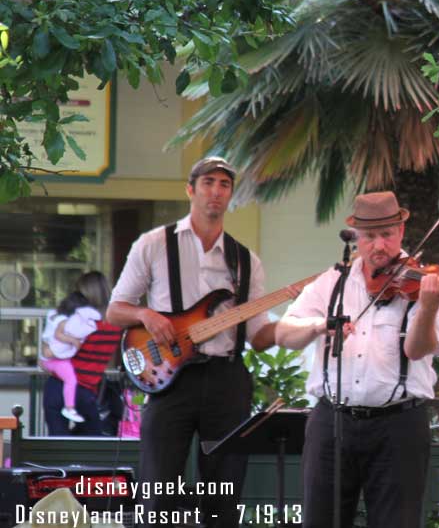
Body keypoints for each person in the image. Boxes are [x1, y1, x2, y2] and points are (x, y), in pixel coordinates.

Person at [106, 156, 277, 528]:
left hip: (226, 378)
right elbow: (115, 310)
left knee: (224, 496)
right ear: (191, 189)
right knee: (158, 491)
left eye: (224, 185)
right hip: (170, 381)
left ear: (231, 194)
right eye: (208, 183)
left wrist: (304, 328)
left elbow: (260, 335)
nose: (216, 191)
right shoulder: (153, 244)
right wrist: (147, 316)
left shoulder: (246, 261)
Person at [276, 191, 439, 528]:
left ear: (400, 232)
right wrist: (318, 325)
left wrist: (427, 307)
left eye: (386, 235)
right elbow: (283, 333)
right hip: (332, 422)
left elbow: (416, 350)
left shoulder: (422, 284)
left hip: (398, 426)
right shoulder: (331, 283)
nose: (379, 246)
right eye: (370, 237)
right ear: (356, 237)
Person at [43, 271, 123, 436]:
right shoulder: (114, 327)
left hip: (58, 386)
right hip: (87, 391)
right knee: (92, 444)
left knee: (58, 446)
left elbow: (54, 351)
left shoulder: (78, 323)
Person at [40, 290, 103, 422]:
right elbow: (58, 335)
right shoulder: (65, 322)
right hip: (57, 359)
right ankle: (69, 408)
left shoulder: (54, 316)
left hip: (50, 359)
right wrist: (74, 341)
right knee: (71, 380)